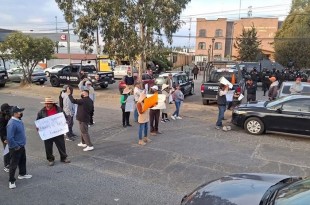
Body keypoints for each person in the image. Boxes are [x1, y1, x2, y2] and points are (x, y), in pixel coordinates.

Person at [37, 97, 71, 166]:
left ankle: (64, 157)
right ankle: (50, 159)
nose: (47, 105)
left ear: (52, 104)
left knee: (61, 145)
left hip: (58, 132)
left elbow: (66, 117)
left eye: (49, 104)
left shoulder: (59, 110)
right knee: (48, 147)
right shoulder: (41, 112)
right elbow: (38, 121)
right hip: (47, 133)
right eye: (46, 104)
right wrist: (38, 127)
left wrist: (66, 122)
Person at [7, 106, 32, 189]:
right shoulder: (12, 123)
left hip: (21, 146)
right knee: (13, 164)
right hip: (16, 147)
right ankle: (11, 181)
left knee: (22, 160)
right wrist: (16, 146)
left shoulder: (18, 120)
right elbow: (10, 137)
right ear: (15, 114)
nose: (21, 113)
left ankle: (22, 174)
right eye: (19, 112)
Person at [0, 103, 12, 173]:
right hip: (4, 135)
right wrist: (5, 138)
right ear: (3, 111)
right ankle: (6, 165)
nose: (9, 110)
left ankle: (11, 162)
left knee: (11, 148)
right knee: (7, 150)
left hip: (10, 134)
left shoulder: (7, 114)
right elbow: (1, 130)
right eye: (7, 110)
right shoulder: (1, 118)